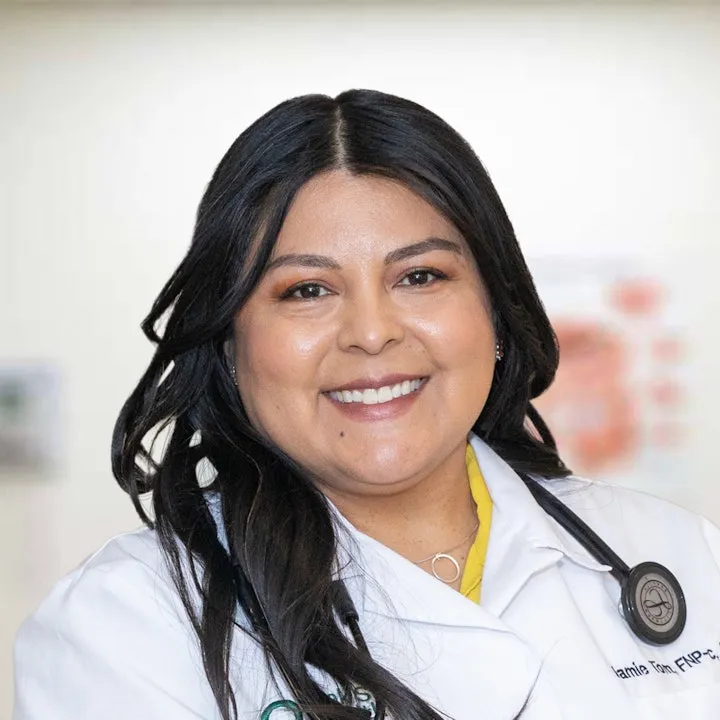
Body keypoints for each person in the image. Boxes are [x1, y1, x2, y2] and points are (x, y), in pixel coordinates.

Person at [12, 90, 720, 720]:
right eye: (306, 290)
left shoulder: (685, 554)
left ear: (496, 316)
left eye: (420, 276)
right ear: (229, 343)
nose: (373, 332)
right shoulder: (127, 625)